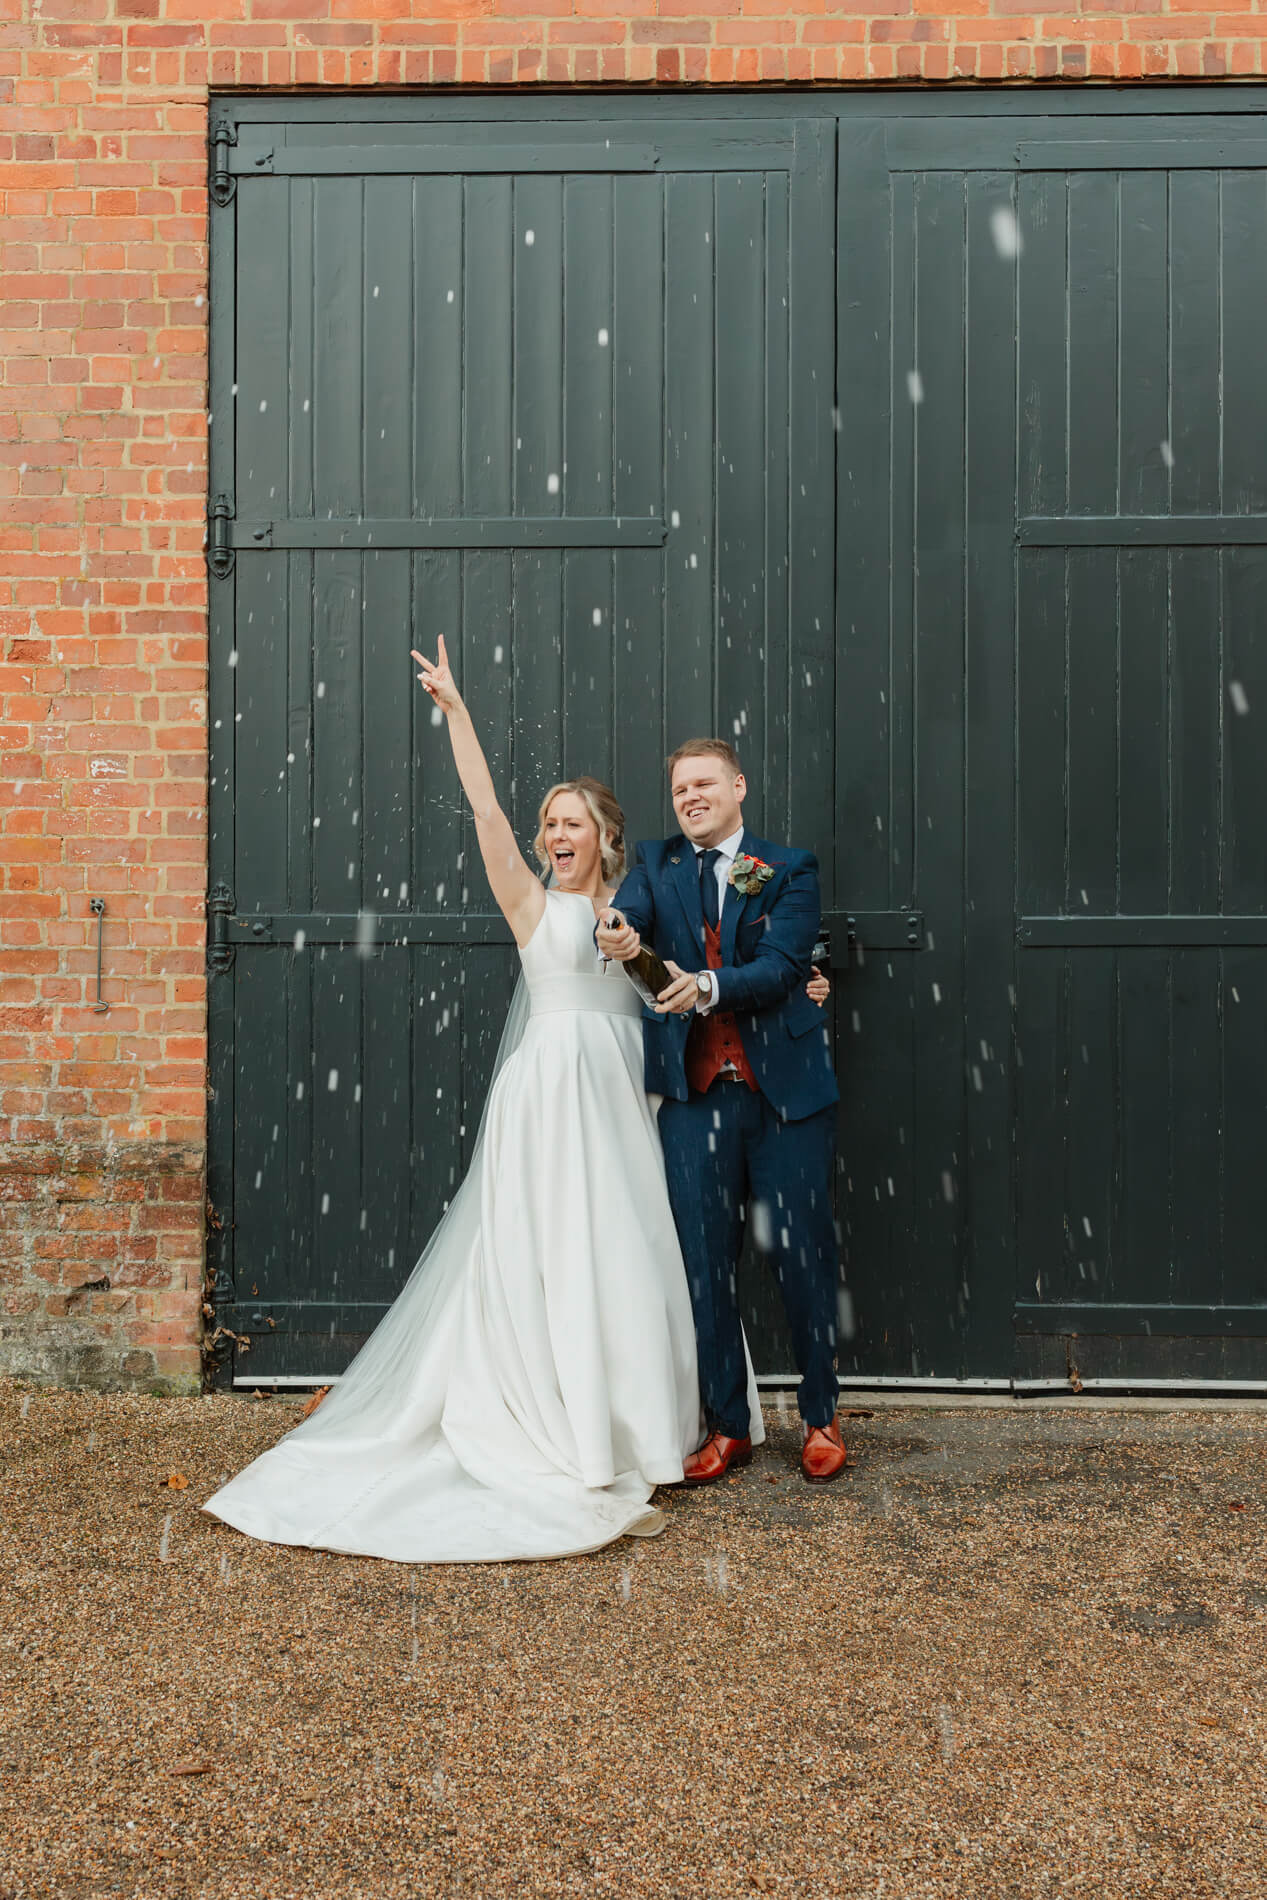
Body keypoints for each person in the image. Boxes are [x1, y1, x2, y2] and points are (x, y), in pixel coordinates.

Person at [204, 640, 829, 1564]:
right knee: (551, 1251)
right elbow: (485, 809)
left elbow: (701, 946)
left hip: (631, 1092)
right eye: (550, 823)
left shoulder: (642, 892)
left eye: (573, 821)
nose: (556, 833)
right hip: (552, 1094)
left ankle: (657, 1422)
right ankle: (561, 1423)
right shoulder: (531, 902)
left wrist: (804, 980)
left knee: (642, 1247)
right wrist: (456, 713)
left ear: (607, 835)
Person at [597, 739, 847, 1485]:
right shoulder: (655, 864)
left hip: (785, 1098)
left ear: (738, 785)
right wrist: (614, 932)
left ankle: (820, 1416)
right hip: (694, 1099)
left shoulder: (786, 867)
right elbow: (624, 918)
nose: (691, 797)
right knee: (703, 1266)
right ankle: (728, 1426)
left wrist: (705, 986)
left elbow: (781, 967)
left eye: (704, 783)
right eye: (680, 789)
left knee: (802, 1257)